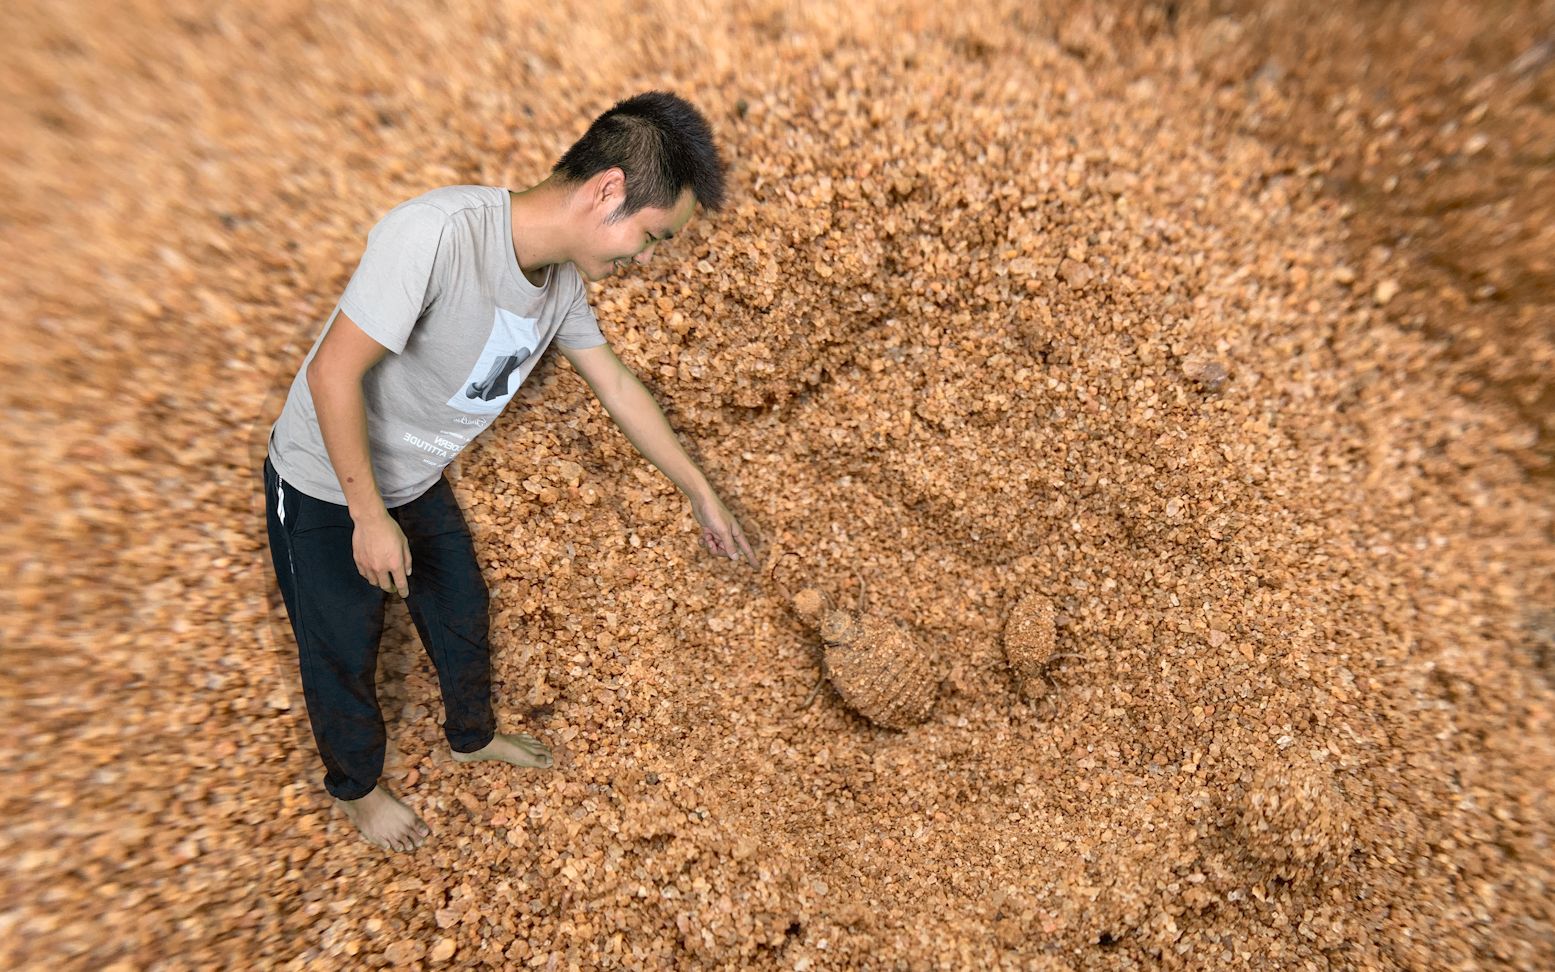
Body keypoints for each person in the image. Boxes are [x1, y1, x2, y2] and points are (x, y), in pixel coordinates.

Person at [262, 91, 756, 853]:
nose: (645, 260)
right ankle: (357, 789)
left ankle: (470, 737)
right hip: (326, 482)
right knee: (341, 646)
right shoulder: (434, 234)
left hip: (416, 481)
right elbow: (334, 375)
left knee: (459, 609)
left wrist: (702, 494)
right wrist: (366, 517)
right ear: (607, 191)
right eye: (653, 238)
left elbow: (618, 386)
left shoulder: (560, 286)